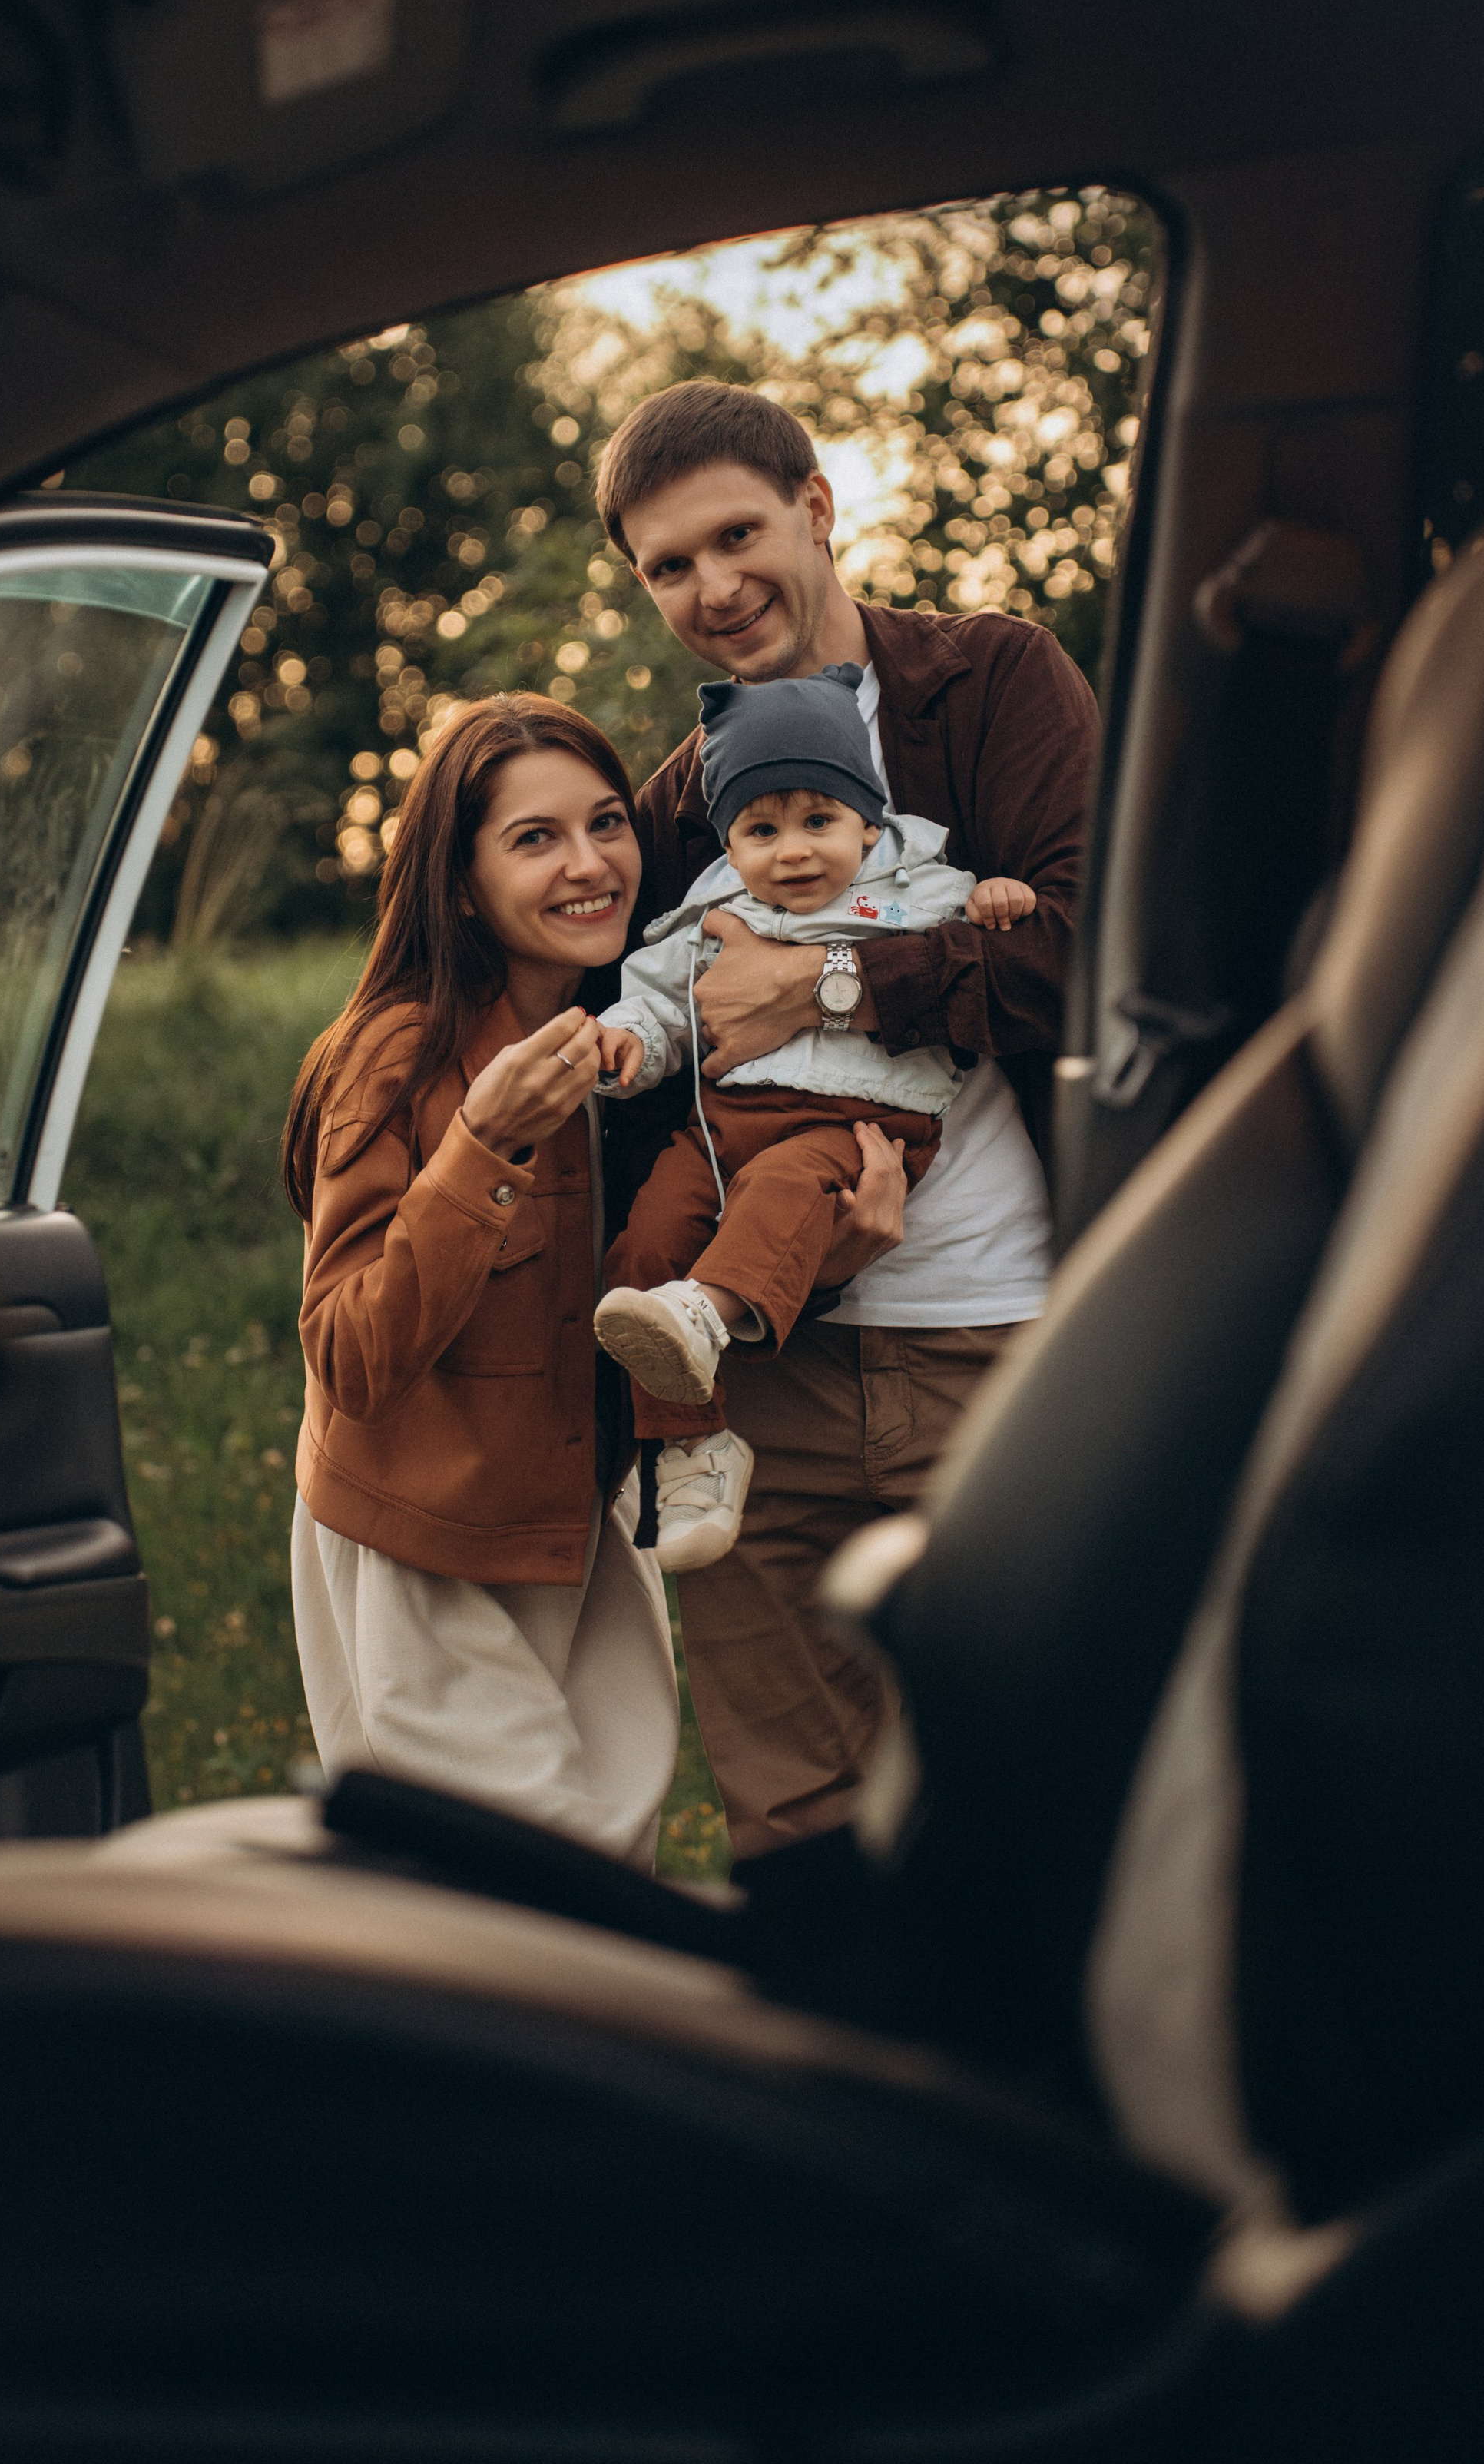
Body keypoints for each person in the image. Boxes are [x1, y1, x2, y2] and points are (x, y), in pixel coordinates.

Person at [596, 378, 1098, 1881]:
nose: (712, 586)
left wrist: (826, 980)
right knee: (798, 1825)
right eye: (665, 566)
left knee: (1046, 1795)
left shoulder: (995, 684)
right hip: (767, 1365)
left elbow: (1085, 946)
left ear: (817, 511)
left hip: (993, 1343)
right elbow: (636, 1029)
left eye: (735, 534)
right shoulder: (683, 798)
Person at [280, 695, 678, 1866]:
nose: (590, 863)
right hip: (429, 1549)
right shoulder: (397, 1053)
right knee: (512, 1906)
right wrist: (484, 1145)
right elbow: (351, 1355)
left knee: (617, 1872)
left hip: (582, 1527)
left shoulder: (631, 1039)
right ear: (459, 883)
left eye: (606, 823)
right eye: (535, 838)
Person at [591, 664, 1033, 1574]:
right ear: (729, 842)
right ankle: (695, 1448)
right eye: (761, 829)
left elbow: (987, 944)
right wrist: (627, 1043)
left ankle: (709, 1317)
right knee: (642, 1248)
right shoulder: (712, 912)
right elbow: (662, 1006)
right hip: (725, 1129)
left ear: (867, 822)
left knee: (785, 1191)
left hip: (860, 1123)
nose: (791, 851)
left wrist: (1000, 901)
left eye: (818, 822)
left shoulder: (913, 889)